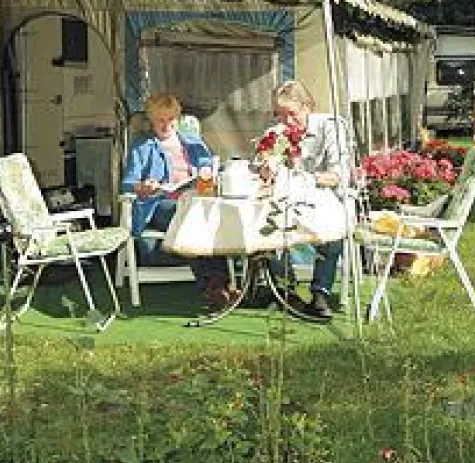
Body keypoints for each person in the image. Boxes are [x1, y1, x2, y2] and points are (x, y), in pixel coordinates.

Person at [121, 93, 233, 308]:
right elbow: (128, 183)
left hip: (194, 200)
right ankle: (215, 283)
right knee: (188, 215)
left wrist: (208, 175)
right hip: (160, 204)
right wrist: (143, 187)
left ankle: (215, 284)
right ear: (151, 120)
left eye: (170, 120)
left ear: (178, 119)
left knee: (207, 213)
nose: (166, 125)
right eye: (160, 120)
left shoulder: (193, 143)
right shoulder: (142, 145)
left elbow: (208, 171)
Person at [258, 80, 350, 320]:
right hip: (288, 199)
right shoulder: (276, 132)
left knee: (331, 224)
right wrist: (266, 168)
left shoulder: (330, 127)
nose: (286, 121)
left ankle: (320, 293)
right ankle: (284, 288)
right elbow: (263, 171)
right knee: (265, 220)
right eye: (280, 115)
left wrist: (305, 179)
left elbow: (338, 175)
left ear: (307, 106)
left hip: (325, 196)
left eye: (292, 114)